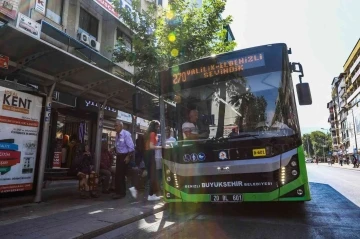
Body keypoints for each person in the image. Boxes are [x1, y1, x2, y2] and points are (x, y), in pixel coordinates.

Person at [113, 120, 137, 199]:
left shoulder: (126, 134)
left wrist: (128, 157)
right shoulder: (117, 135)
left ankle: (121, 193)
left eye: (116, 125)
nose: (115, 127)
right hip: (119, 156)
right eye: (114, 126)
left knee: (121, 175)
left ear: (121, 126)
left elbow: (131, 148)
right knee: (118, 174)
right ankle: (118, 191)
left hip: (124, 156)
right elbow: (117, 145)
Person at [144, 120, 162, 201]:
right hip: (150, 154)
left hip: (147, 154)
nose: (158, 128)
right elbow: (151, 146)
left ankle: (152, 194)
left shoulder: (148, 133)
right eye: (158, 126)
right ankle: (151, 195)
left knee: (151, 175)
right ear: (155, 126)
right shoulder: (152, 134)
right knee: (152, 175)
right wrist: (162, 147)